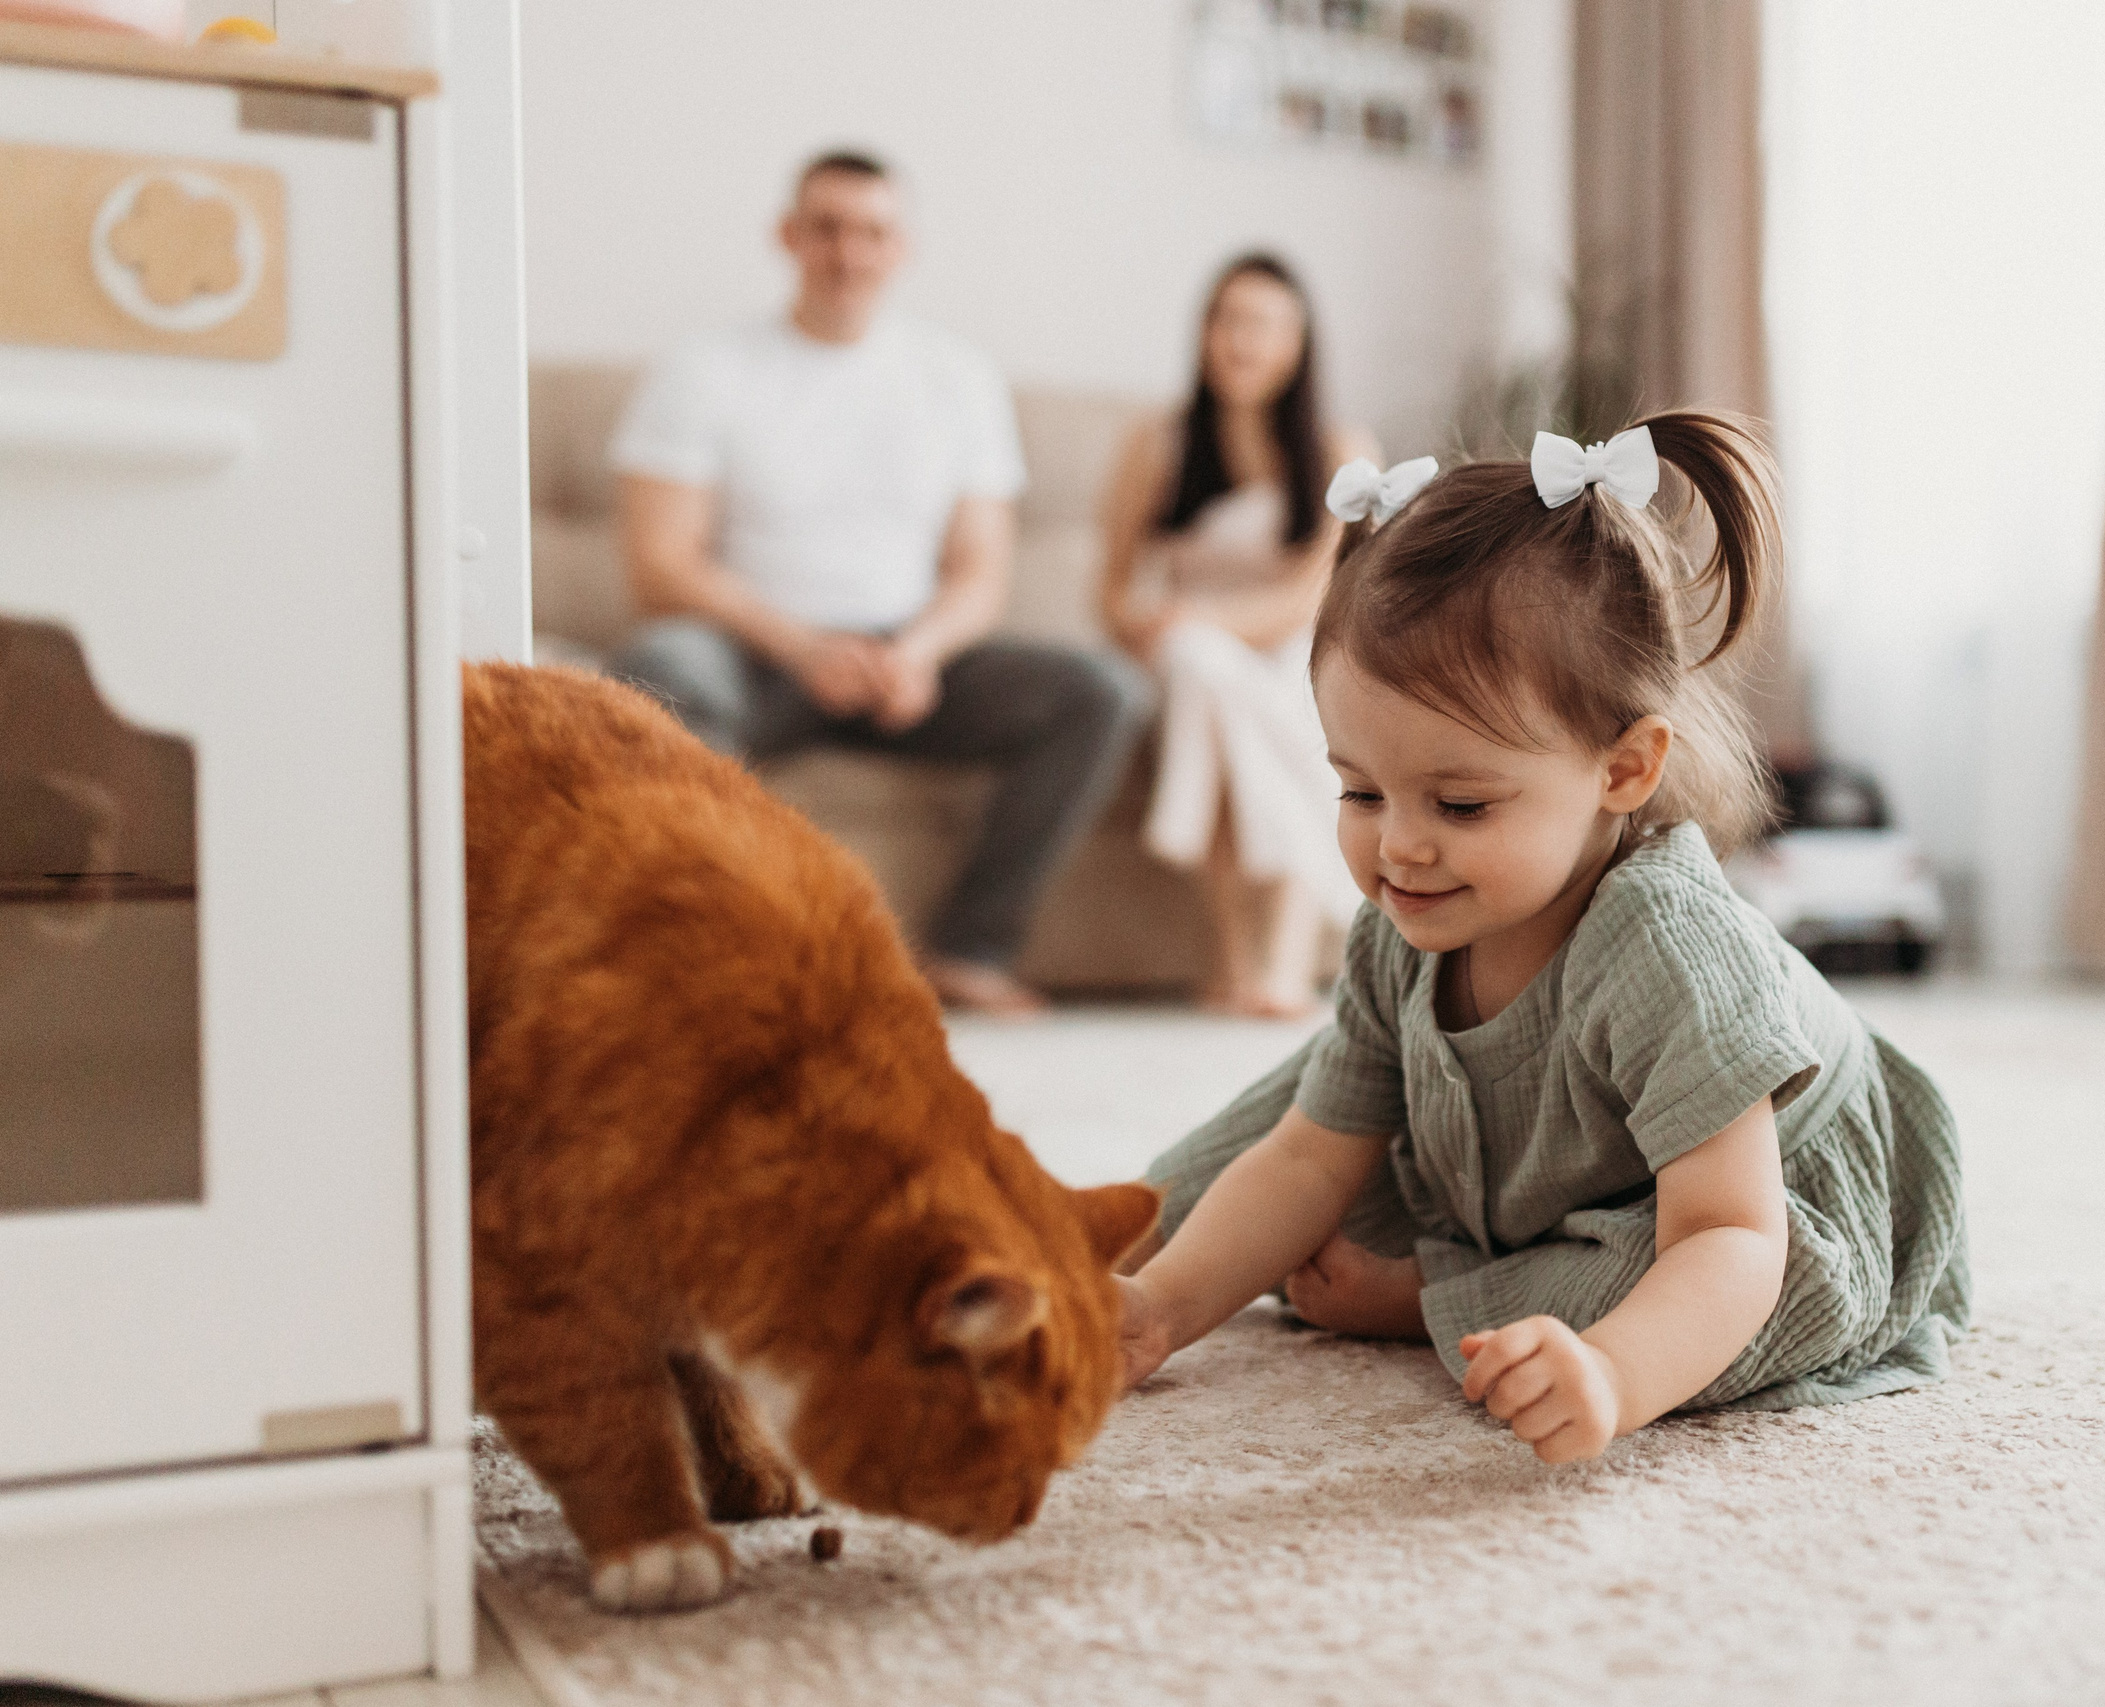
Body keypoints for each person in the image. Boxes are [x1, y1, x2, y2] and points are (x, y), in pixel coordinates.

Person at [1112, 414, 1971, 1459]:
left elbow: (1729, 1237)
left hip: (1757, 1200)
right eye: (1358, 792)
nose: (1399, 850)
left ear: (1622, 771)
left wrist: (1614, 1374)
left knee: (1658, 1288)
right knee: (1296, 1113)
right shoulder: (1407, 919)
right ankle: (1107, 1230)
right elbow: (1304, 1160)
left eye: (1461, 806)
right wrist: (1158, 1311)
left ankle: (1434, 1289)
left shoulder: (1669, 954)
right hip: (1529, 1151)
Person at [609, 151, 1151, 1016]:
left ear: (904, 248)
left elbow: (981, 571)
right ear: (786, 237)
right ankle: (714, 954)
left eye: (873, 232)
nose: (848, 252)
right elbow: (661, 567)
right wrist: (805, 645)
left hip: (910, 660)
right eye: (826, 228)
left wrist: (917, 652)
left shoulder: (958, 378)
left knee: (1102, 691)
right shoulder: (705, 368)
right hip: (760, 656)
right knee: (661, 669)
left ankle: (972, 949)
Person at [1095, 255, 1373, 1017]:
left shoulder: (1344, 452)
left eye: (1262, 324)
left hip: (1288, 652)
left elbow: (1318, 596)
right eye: (1226, 320)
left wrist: (1206, 625)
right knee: (1199, 669)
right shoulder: (1158, 444)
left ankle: (1264, 961)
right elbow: (1113, 588)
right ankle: (1248, 958)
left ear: (1298, 342)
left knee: (1263, 680)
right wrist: (1150, 624)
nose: (1240, 341)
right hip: (1179, 654)